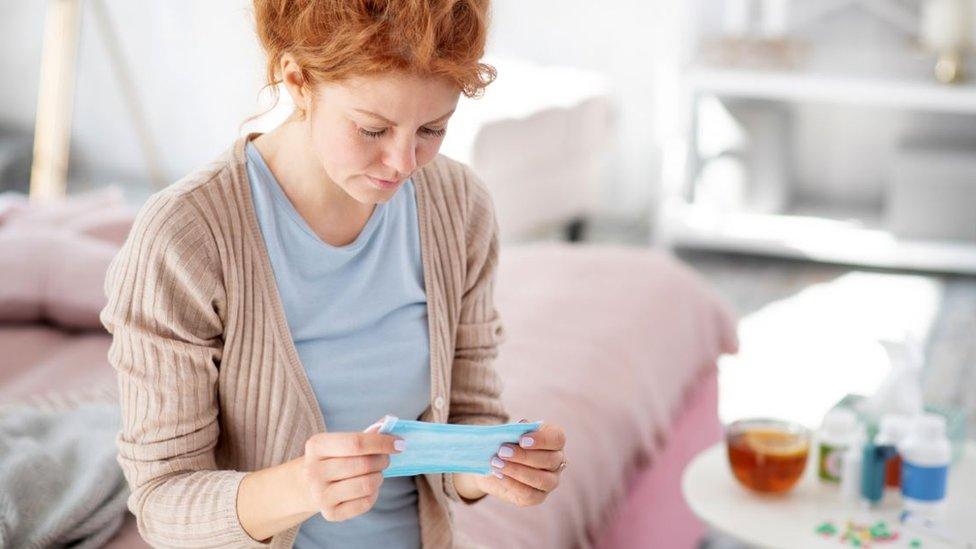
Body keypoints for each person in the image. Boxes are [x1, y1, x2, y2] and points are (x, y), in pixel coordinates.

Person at [99, 0, 567, 547]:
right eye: (373, 130)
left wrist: (496, 464)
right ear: (297, 81)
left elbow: (469, 417)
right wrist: (302, 487)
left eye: (432, 128)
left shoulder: (458, 206)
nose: (404, 163)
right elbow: (162, 503)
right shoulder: (185, 238)